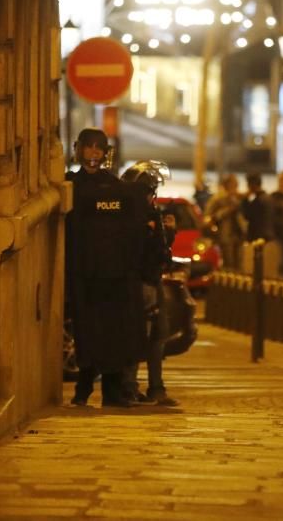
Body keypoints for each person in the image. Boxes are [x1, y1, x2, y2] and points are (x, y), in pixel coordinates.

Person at [65, 128, 147, 408]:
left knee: (113, 333)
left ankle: (111, 391)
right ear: (78, 149)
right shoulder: (68, 186)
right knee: (87, 333)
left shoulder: (116, 188)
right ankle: (84, 387)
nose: (94, 154)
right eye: (89, 148)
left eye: (99, 149)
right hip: (84, 275)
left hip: (114, 276)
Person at [120, 160, 179, 407]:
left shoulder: (153, 213)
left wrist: (168, 232)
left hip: (153, 280)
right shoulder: (129, 216)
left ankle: (156, 387)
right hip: (138, 282)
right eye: (147, 192)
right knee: (136, 336)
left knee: (158, 335)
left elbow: (161, 251)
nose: (151, 198)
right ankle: (129, 388)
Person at [204, 173, 246, 269]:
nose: (234, 187)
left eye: (236, 185)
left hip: (238, 234)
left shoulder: (238, 198)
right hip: (225, 234)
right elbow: (208, 216)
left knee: (239, 262)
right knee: (228, 262)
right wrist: (226, 211)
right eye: (232, 184)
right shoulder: (218, 199)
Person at [241, 172, 273, 243]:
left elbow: (247, 215)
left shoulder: (256, 200)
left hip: (257, 235)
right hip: (268, 235)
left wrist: (245, 199)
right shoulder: (268, 198)